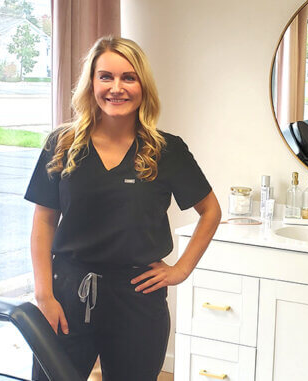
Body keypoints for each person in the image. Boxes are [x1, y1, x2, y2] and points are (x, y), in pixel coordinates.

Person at [24, 36, 221, 380]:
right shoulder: (62, 144)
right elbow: (43, 221)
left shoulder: (166, 150)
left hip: (138, 298)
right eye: (106, 77)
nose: (116, 88)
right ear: (91, 83)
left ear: (143, 86)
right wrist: (44, 294)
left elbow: (211, 211)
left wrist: (181, 270)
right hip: (68, 293)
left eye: (128, 77)